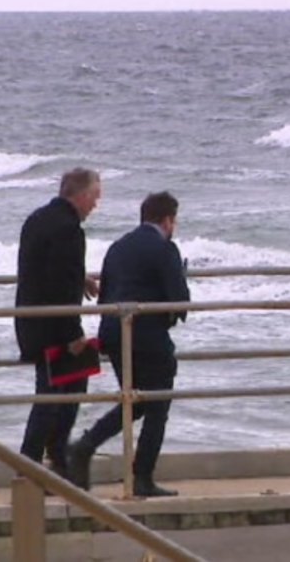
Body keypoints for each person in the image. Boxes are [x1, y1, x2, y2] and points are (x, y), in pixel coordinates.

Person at [67, 191, 190, 497]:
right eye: (174, 221)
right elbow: (180, 302)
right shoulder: (165, 248)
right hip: (148, 337)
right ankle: (142, 476)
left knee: (133, 403)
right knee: (158, 405)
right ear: (167, 220)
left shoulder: (118, 247)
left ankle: (85, 445)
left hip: (114, 333)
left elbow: (108, 294)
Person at [16, 168, 102, 477]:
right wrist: (74, 334)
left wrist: (81, 278)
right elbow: (59, 285)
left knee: (61, 390)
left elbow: (46, 269)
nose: (96, 204)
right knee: (53, 397)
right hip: (54, 328)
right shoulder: (70, 229)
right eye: (94, 196)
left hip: (30, 322)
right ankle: (35, 466)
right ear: (79, 195)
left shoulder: (38, 218)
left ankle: (52, 461)